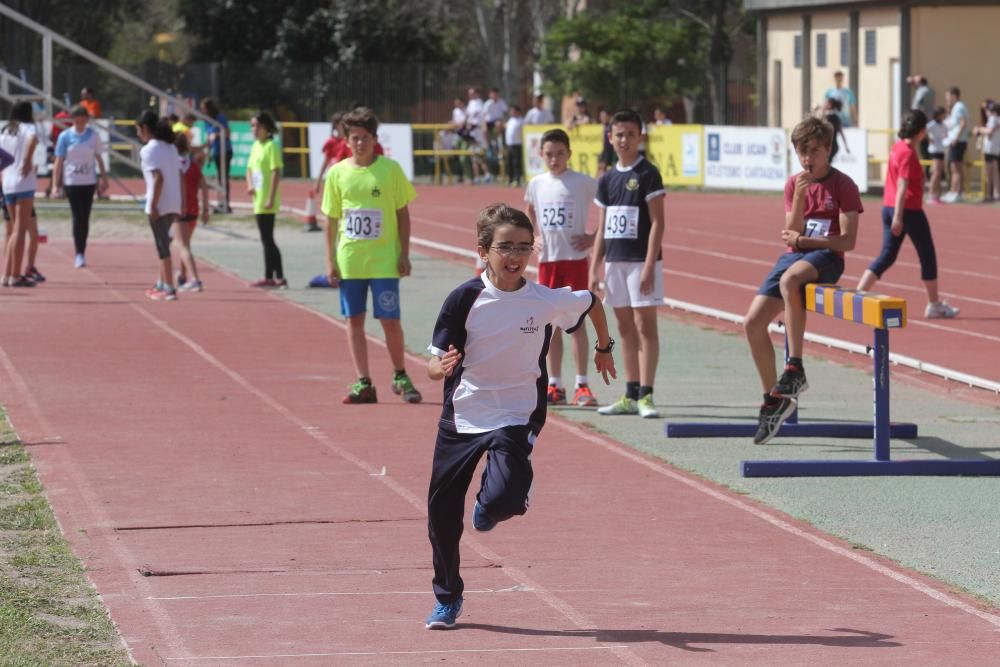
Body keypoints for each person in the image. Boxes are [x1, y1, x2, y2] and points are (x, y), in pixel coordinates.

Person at [424, 202, 616, 630]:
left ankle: (493, 504)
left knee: (505, 499)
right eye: (505, 247)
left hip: (516, 413)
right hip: (464, 414)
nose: (515, 257)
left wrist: (605, 347)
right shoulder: (464, 299)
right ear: (483, 250)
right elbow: (434, 363)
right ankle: (448, 597)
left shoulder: (544, 299)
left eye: (524, 248)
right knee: (440, 515)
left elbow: (591, 303)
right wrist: (444, 367)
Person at [744, 115, 862, 445]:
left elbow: (846, 242)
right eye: (800, 152)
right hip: (794, 256)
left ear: (827, 150)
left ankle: (795, 368)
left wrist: (806, 242)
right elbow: (789, 234)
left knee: (791, 281)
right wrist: (798, 199)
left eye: (812, 150)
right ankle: (773, 399)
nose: (807, 158)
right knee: (752, 324)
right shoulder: (794, 183)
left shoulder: (843, 186)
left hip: (825, 259)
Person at [321, 106, 422, 405]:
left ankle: (400, 373)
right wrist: (330, 261)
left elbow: (403, 214)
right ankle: (364, 381)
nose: (360, 143)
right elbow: (331, 220)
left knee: (390, 319)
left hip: (384, 262)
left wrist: (404, 252)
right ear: (346, 140)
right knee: (354, 319)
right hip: (350, 260)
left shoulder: (390, 170)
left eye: (365, 137)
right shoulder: (337, 173)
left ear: (375, 139)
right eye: (354, 138)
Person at [589, 109, 666, 419]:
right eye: (619, 135)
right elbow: (602, 226)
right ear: (611, 138)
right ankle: (630, 393)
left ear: (640, 137)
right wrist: (594, 266)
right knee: (623, 327)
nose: (624, 140)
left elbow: (659, 222)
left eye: (630, 135)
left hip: (640, 262)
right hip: (615, 263)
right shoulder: (607, 178)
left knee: (645, 326)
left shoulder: (648, 174)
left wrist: (649, 264)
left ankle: (647, 394)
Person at [856, 110, 959, 321]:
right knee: (927, 254)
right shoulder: (909, 153)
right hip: (907, 210)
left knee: (887, 255)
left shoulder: (897, 147)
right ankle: (934, 304)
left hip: (889, 207)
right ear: (921, 132)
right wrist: (898, 216)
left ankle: (858, 295)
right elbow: (902, 184)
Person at [525, 128, 600, 407]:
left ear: (569, 153)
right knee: (551, 324)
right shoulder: (536, 183)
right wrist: (533, 236)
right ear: (541, 155)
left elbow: (607, 206)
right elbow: (529, 209)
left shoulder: (582, 182)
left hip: (575, 260)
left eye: (559, 153)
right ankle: (554, 385)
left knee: (577, 322)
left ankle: (582, 384)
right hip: (548, 262)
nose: (554, 159)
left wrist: (593, 237)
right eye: (549, 154)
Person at [52, 105, 109, 268]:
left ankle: (82, 249)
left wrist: (104, 178)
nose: (79, 121)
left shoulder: (93, 136)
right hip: (72, 182)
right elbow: (58, 161)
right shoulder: (65, 136)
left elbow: (99, 158)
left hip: (88, 182)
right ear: (72, 119)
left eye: (82, 117)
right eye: (76, 117)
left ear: (86, 119)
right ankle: (79, 253)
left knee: (85, 217)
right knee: (77, 216)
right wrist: (56, 185)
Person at [136, 110, 182, 301]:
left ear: (145, 129)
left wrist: (153, 205)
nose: (138, 135)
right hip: (173, 202)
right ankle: (161, 282)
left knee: (162, 246)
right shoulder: (171, 148)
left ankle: (169, 287)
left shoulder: (148, 150)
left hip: (159, 203)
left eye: (138, 130)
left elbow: (158, 178)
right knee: (162, 243)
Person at [1, 101, 40, 287]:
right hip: (23, 181)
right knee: (19, 230)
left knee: (13, 230)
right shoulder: (29, 127)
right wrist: (27, 160)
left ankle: (7, 274)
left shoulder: (6, 130)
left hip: (7, 181)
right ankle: (15, 275)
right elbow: (33, 140)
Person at [246, 111, 287, 289]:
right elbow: (249, 169)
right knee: (265, 239)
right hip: (257, 200)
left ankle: (277, 276)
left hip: (267, 201)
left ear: (266, 128)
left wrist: (270, 197)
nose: (254, 130)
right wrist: (249, 184)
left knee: (268, 238)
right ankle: (270, 276)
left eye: (258, 126)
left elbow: (276, 171)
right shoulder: (256, 146)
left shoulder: (271, 146)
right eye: (252, 126)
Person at [173, 132, 206, 292]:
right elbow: (204, 186)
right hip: (194, 208)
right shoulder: (193, 165)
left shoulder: (174, 165)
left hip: (181, 209)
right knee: (185, 243)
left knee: (183, 245)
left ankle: (196, 279)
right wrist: (206, 209)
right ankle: (183, 276)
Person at [200, 97, 233, 213]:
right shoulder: (206, 121)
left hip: (225, 151)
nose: (202, 111)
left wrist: (217, 135)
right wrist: (208, 152)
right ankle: (221, 202)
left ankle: (225, 204)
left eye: (204, 109)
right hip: (216, 151)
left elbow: (227, 133)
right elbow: (209, 138)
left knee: (223, 177)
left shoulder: (220, 117)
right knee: (219, 178)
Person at [941, 86, 970, 203]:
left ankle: (954, 192)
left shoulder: (959, 107)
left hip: (957, 141)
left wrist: (956, 138)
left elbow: (963, 123)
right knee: (957, 167)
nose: (947, 99)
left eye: (948, 96)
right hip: (958, 140)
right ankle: (960, 191)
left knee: (955, 168)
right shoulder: (956, 107)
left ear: (954, 95)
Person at [974, 100, 1000, 202]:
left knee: (989, 173)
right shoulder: (997, 119)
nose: (986, 112)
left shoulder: (993, 119)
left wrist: (979, 129)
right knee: (995, 172)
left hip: (990, 149)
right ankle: (995, 193)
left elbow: (989, 132)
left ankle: (990, 194)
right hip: (995, 148)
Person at [314, 111, 345, 194]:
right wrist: (318, 181)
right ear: (336, 126)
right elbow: (325, 162)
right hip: (334, 179)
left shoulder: (350, 142)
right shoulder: (331, 142)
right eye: (343, 124)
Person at [909, 75, 935, 163]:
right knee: (929, 148)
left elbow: (917, 105)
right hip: (930, 121)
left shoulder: (921, 91)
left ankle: (928, 171)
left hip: (922, 122)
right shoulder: (930, 90)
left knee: (924, 148)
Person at [926, 107, 948, 204]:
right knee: (935, 173)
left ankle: (937, 195)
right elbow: (924, 131)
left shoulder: (943, 125)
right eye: (943, 114)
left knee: (939, 174)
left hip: (941, 150)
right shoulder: (932, 124)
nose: (944, 116)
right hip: (934, 150)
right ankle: (931, 195)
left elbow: (946, 134)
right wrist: (929, 139)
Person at [821, 97, 848, 162]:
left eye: (826, 103)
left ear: (830, 105)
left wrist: (846, 146)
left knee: (824, 164)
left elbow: (841, 132)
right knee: (825, 164)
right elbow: (841, 132)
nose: (825, 104)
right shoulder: (835, 117)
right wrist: (846, 146)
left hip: (830, 146)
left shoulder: (829, 117)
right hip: (833, 146)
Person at [503, 105, 524, 187]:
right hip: (509, 144)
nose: (512, 113)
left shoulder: (521, 121)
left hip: (517, 144)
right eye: (511, 111)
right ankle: (510, 179)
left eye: (514, 111)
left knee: (516, 163)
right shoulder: (510, 120)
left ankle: (517, 179)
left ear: (518, 112)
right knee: (509, 163)